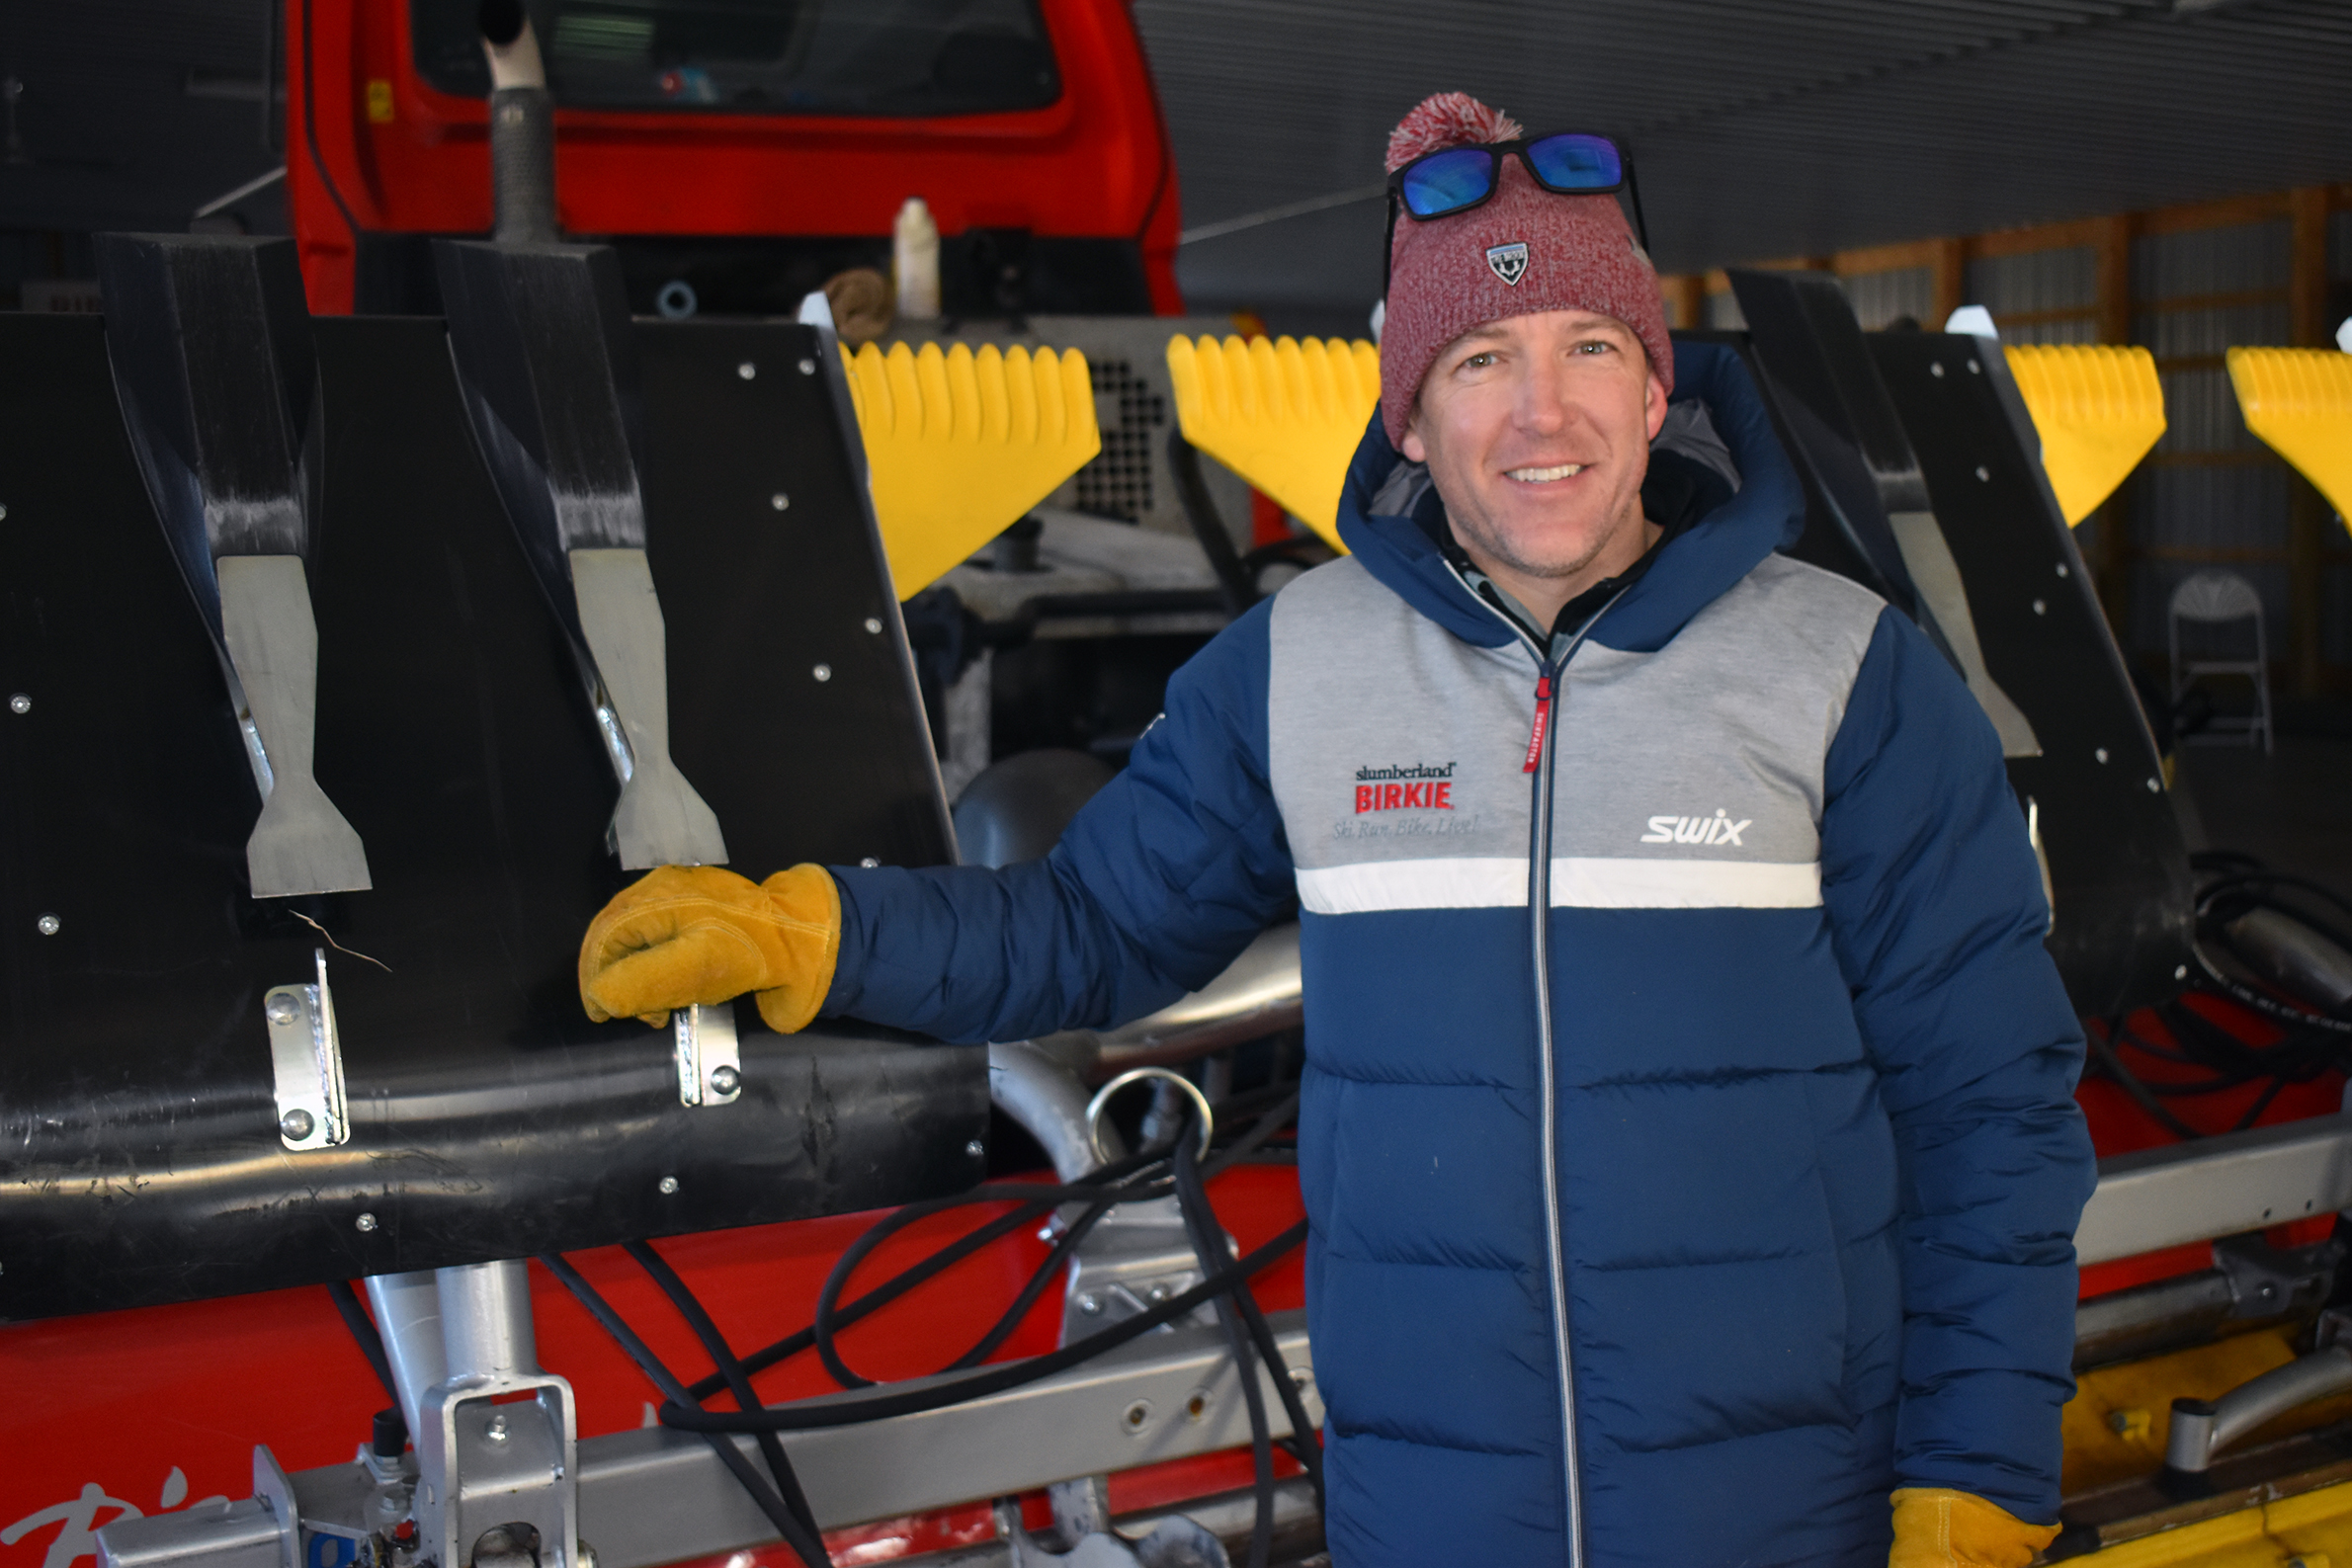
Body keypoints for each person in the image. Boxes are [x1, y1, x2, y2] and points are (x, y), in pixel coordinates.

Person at [578, 92, 2095, 1568]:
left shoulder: (1847, 673)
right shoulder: (1298, 667)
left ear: (1655, 390)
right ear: (1412, 419)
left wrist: (1976, 1469)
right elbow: (1092, 929)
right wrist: (816, 930)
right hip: (1434, 1506)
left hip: (1778, 1505)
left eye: (1587, 349)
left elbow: (1991, 1106)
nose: (1541, 411)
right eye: (1482, 359)